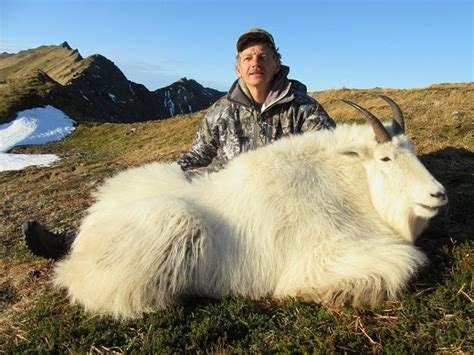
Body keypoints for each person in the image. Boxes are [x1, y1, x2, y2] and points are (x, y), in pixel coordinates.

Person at [23, 28, 336, 260]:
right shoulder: (220, 111)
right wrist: (168, 177)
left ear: (277, 65)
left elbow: (332, 153)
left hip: (277, 206)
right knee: (152, 202)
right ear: (238, 68)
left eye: (264, 57)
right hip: (221, 197)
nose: (256, 62)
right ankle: (76, 242)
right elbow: (199, 154)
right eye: (248, 57)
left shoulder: (303, 108)